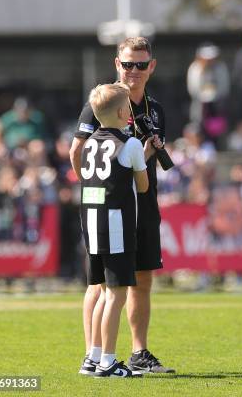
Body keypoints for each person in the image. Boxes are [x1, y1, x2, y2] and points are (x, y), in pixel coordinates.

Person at [70, 36, 175, 374]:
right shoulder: (103, 101)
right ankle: (95, 353)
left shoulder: (155, 108)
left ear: (151, 67)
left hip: (142, 203)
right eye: (128, 63)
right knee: (101, 284)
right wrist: (98, 188)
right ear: (117, 63)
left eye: (140, 64)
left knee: (142, 278)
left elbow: (148, 163)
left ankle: (139, 352)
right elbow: (77, 152)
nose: (134, 71)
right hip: (109, 206)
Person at [79, 83, 148, 377]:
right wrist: (145, 153)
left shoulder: (89, 143)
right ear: (123, 112)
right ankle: (107, 360)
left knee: (103, 292)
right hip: (116, 226)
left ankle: (92, 356)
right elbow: (142, 186)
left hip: (91, 226)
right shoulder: (130, 144)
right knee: (117, 295)